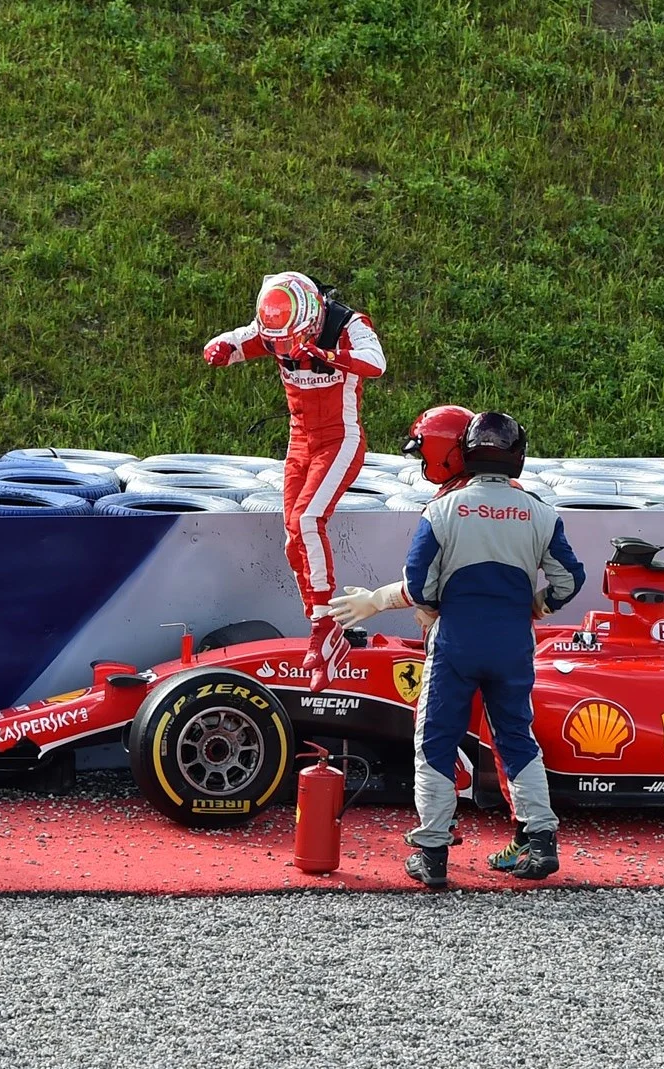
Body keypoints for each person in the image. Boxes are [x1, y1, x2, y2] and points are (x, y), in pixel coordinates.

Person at [329, 409, 585, 887]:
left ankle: (432, 852)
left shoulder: (443, 510)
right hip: (513, 644)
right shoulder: (539, 511)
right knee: (517, 739)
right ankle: (541, 841)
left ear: (463, 452)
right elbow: (570, 580)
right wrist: (536, 605)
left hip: (456, 643)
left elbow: (419, 586)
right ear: (517, 457)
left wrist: (424, 606)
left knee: (435, 741)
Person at [203, 271, 386, 691]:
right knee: (292, 536)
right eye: (278, 345)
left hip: (340, 439)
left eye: (292, 342)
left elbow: (377, 364)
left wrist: (327, 355)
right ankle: (322, 623)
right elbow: (235, 343)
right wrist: (219, 349)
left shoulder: (348, 325)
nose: (285, 351)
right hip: (300, 440)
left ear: (314, 316)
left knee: (307, 520)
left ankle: (323, 625)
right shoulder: (277, 326)